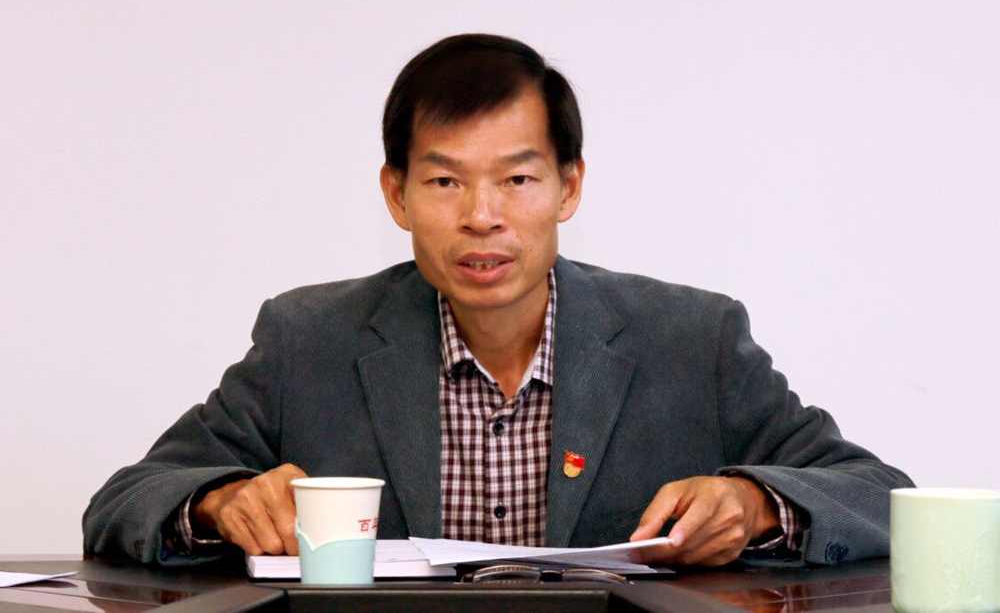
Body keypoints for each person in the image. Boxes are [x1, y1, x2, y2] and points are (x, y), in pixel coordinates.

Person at [83, 34, 913, 568]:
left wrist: (758, 503)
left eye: (517, 179)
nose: (482, 216)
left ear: (568, 187)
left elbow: (881, 495)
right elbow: (122, 501)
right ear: (397, 194)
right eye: (445, 181)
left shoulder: (692, 340)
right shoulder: (310, 341)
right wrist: (219, 500)